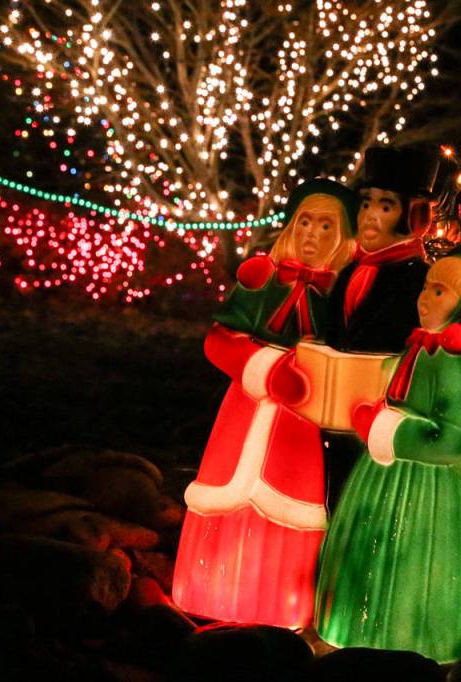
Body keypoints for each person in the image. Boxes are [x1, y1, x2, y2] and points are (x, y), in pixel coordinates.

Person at [172, 178, 357, 628]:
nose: (312, 234)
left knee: (290, 499)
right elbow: (218, 341)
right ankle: (209, 590)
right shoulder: (262, 279)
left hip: (302, 424)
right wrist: (265, 369)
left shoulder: (344, 297)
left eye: (326, 226)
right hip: (246, 409)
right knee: (225, 493)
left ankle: (281, 604)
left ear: (345, 238)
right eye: (305, 222)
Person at [315, 246, 461, 663]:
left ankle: (415, 638)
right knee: (370, 547)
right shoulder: (416, 349)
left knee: (416, 562)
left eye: (440, 292)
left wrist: (389, 430)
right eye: (426, 288)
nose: (425, 298)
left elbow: (455, 434)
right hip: (382, 468)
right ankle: (357, 632)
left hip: (431, 483)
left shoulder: (453, 364)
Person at [323, 146, 440, 510]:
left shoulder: (423, 281)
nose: (371, 217)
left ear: (413, 214)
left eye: (386, 206)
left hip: (382, 433)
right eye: (366, 203)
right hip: (332, 425)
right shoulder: (347, 273)